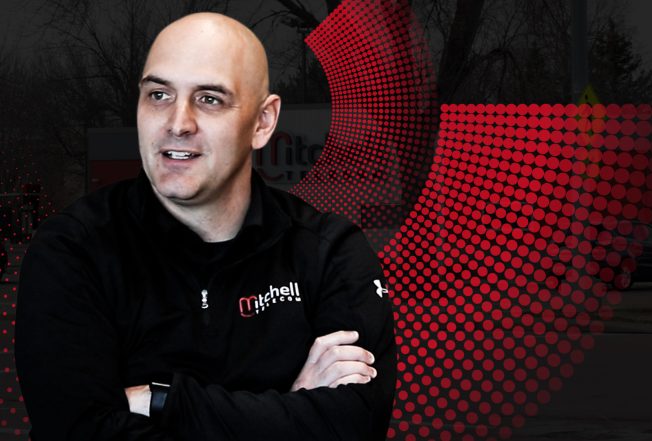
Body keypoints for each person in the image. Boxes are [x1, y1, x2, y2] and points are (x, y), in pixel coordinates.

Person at [15, 12, 395, 441]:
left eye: (210, 99)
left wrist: (161, 400)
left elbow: (356, 425)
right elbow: (75, 431)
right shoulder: (73, 249)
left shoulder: (330, 252)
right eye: (159, 94)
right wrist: (292, 410)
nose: (178, 123)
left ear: (263, 122)